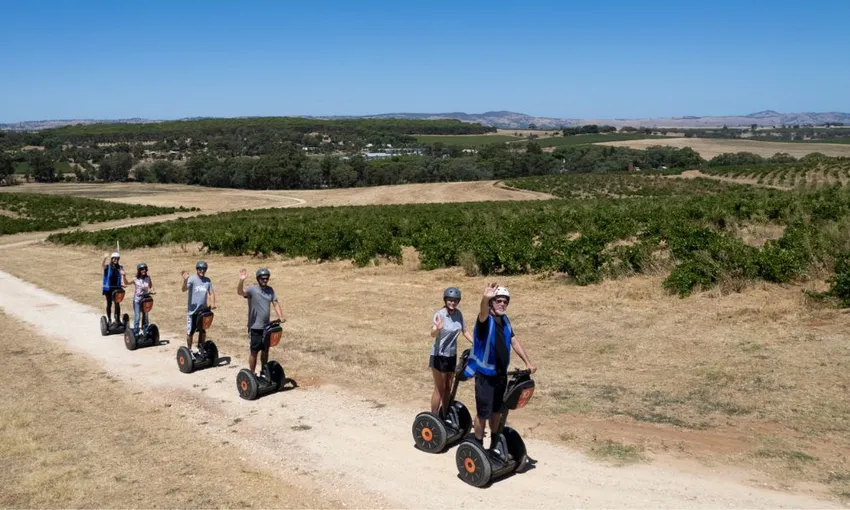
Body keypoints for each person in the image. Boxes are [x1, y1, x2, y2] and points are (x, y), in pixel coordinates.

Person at [463, 283, 536, 450]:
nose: (502, 304)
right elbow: (482, 311)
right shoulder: (484, 320)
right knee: (483, 414)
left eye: (505, 301)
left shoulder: (505, 321)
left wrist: (528, 362)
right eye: (498, 301)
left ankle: (494, 445)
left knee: (497, 412)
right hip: (485, 377)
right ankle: (478, 445)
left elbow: (514, 341)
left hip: (501, 376)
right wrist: (485, 298)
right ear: (491, 303)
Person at [429, 286, 473, 417]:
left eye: (455, 301)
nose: (452, 303)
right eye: (449, 300)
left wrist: (477, 344)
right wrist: (437, 328)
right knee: (440, 389)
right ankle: (434, 417)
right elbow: (432, 333)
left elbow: (464, 331)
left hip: (451, 355)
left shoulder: (459, 314)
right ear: (445, 300)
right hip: (438, 355)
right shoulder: (440, 314)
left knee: (449, 387)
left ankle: (445, 414)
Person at [237, 267, 285, 376]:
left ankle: (264, 371)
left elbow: (275, 302)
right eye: (263, 278)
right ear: (258, 279)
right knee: (254, 352)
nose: (265, 280)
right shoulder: (252, 290)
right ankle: (252, 374)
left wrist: (281, 316)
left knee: (265, 350)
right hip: (254, 327)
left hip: (266, 327)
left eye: (267, 278)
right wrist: (241, 280)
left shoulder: (270, 290)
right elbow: (240, 292)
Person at [181, 261, 216, 357]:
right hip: (192, 311)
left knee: (202, 331)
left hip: (203, 311)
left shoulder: (207, 281)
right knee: (190, 331)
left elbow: (211, 293)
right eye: (200, 269)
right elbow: (184, 289)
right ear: (197, 269)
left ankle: (201, 348)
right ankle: (189, 350)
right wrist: (185, 280)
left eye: (204, 269)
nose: (202, 271)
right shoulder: (192, 279)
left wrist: (212, 303)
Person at [123, 262, 154, 336]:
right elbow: (126, 283)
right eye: (142, 269)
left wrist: (152, 290)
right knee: (137, 317)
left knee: (146, 317)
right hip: (137, 300)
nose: (144, 270)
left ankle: (145, 332)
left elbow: (151, 287)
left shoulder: (148, 278)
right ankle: (136, 333)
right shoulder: (135, 279)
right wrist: (124, 276)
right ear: (139, 270)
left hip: (145, 299)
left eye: (145, 269)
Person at [101, 252, 125, 326]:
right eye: (114, 258)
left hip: (117, 288)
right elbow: (102, 265)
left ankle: (117, 319)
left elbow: (122, 276)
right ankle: (109, 320)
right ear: (111, 259)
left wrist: (123, 282)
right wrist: (105, 258)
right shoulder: (108, 266)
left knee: (117, 303)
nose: (116, 260)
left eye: (117, 258)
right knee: (109, 303)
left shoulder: (120, 267)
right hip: (108, 288)